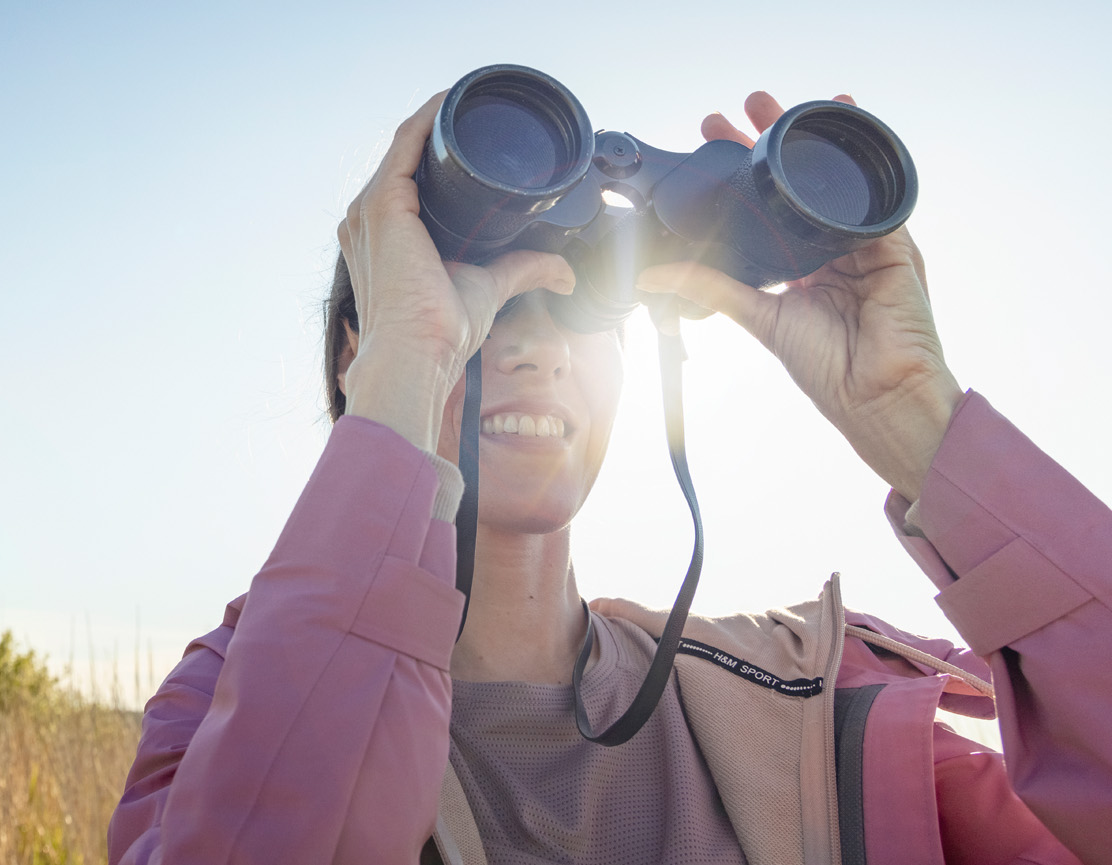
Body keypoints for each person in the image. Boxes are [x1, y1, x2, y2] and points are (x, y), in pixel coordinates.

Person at [108, 88, 1110, 865]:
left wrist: (916, 418)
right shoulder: (229, 700)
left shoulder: (810, 695)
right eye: (486, 306)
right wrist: (406, 375)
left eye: (582, 311)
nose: (535, 354)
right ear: (358, 357)